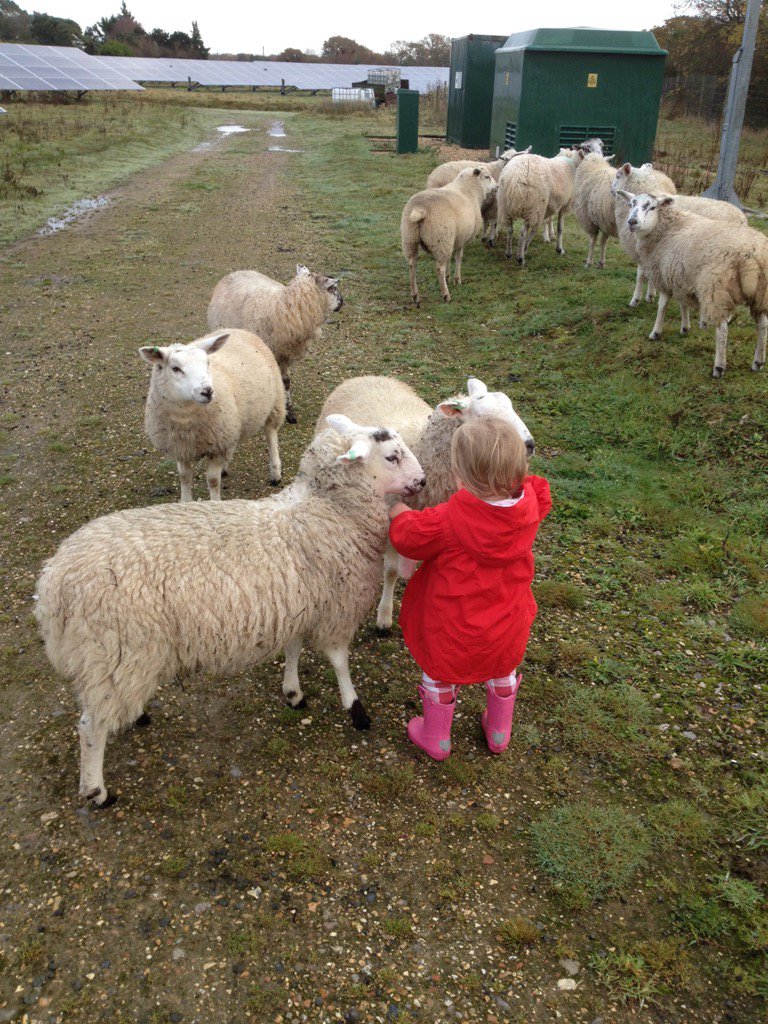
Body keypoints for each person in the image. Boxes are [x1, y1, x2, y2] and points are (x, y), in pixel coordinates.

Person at [388, 416, 551, 760]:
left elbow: (409, 538)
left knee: (440, 672)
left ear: (460, 477)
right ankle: (498, 731)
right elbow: (539, 493)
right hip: (507, 622)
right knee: (503, 669)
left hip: (453, 627)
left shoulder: (447, 520)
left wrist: (400, 513)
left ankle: (437, 738)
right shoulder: (531, 505)